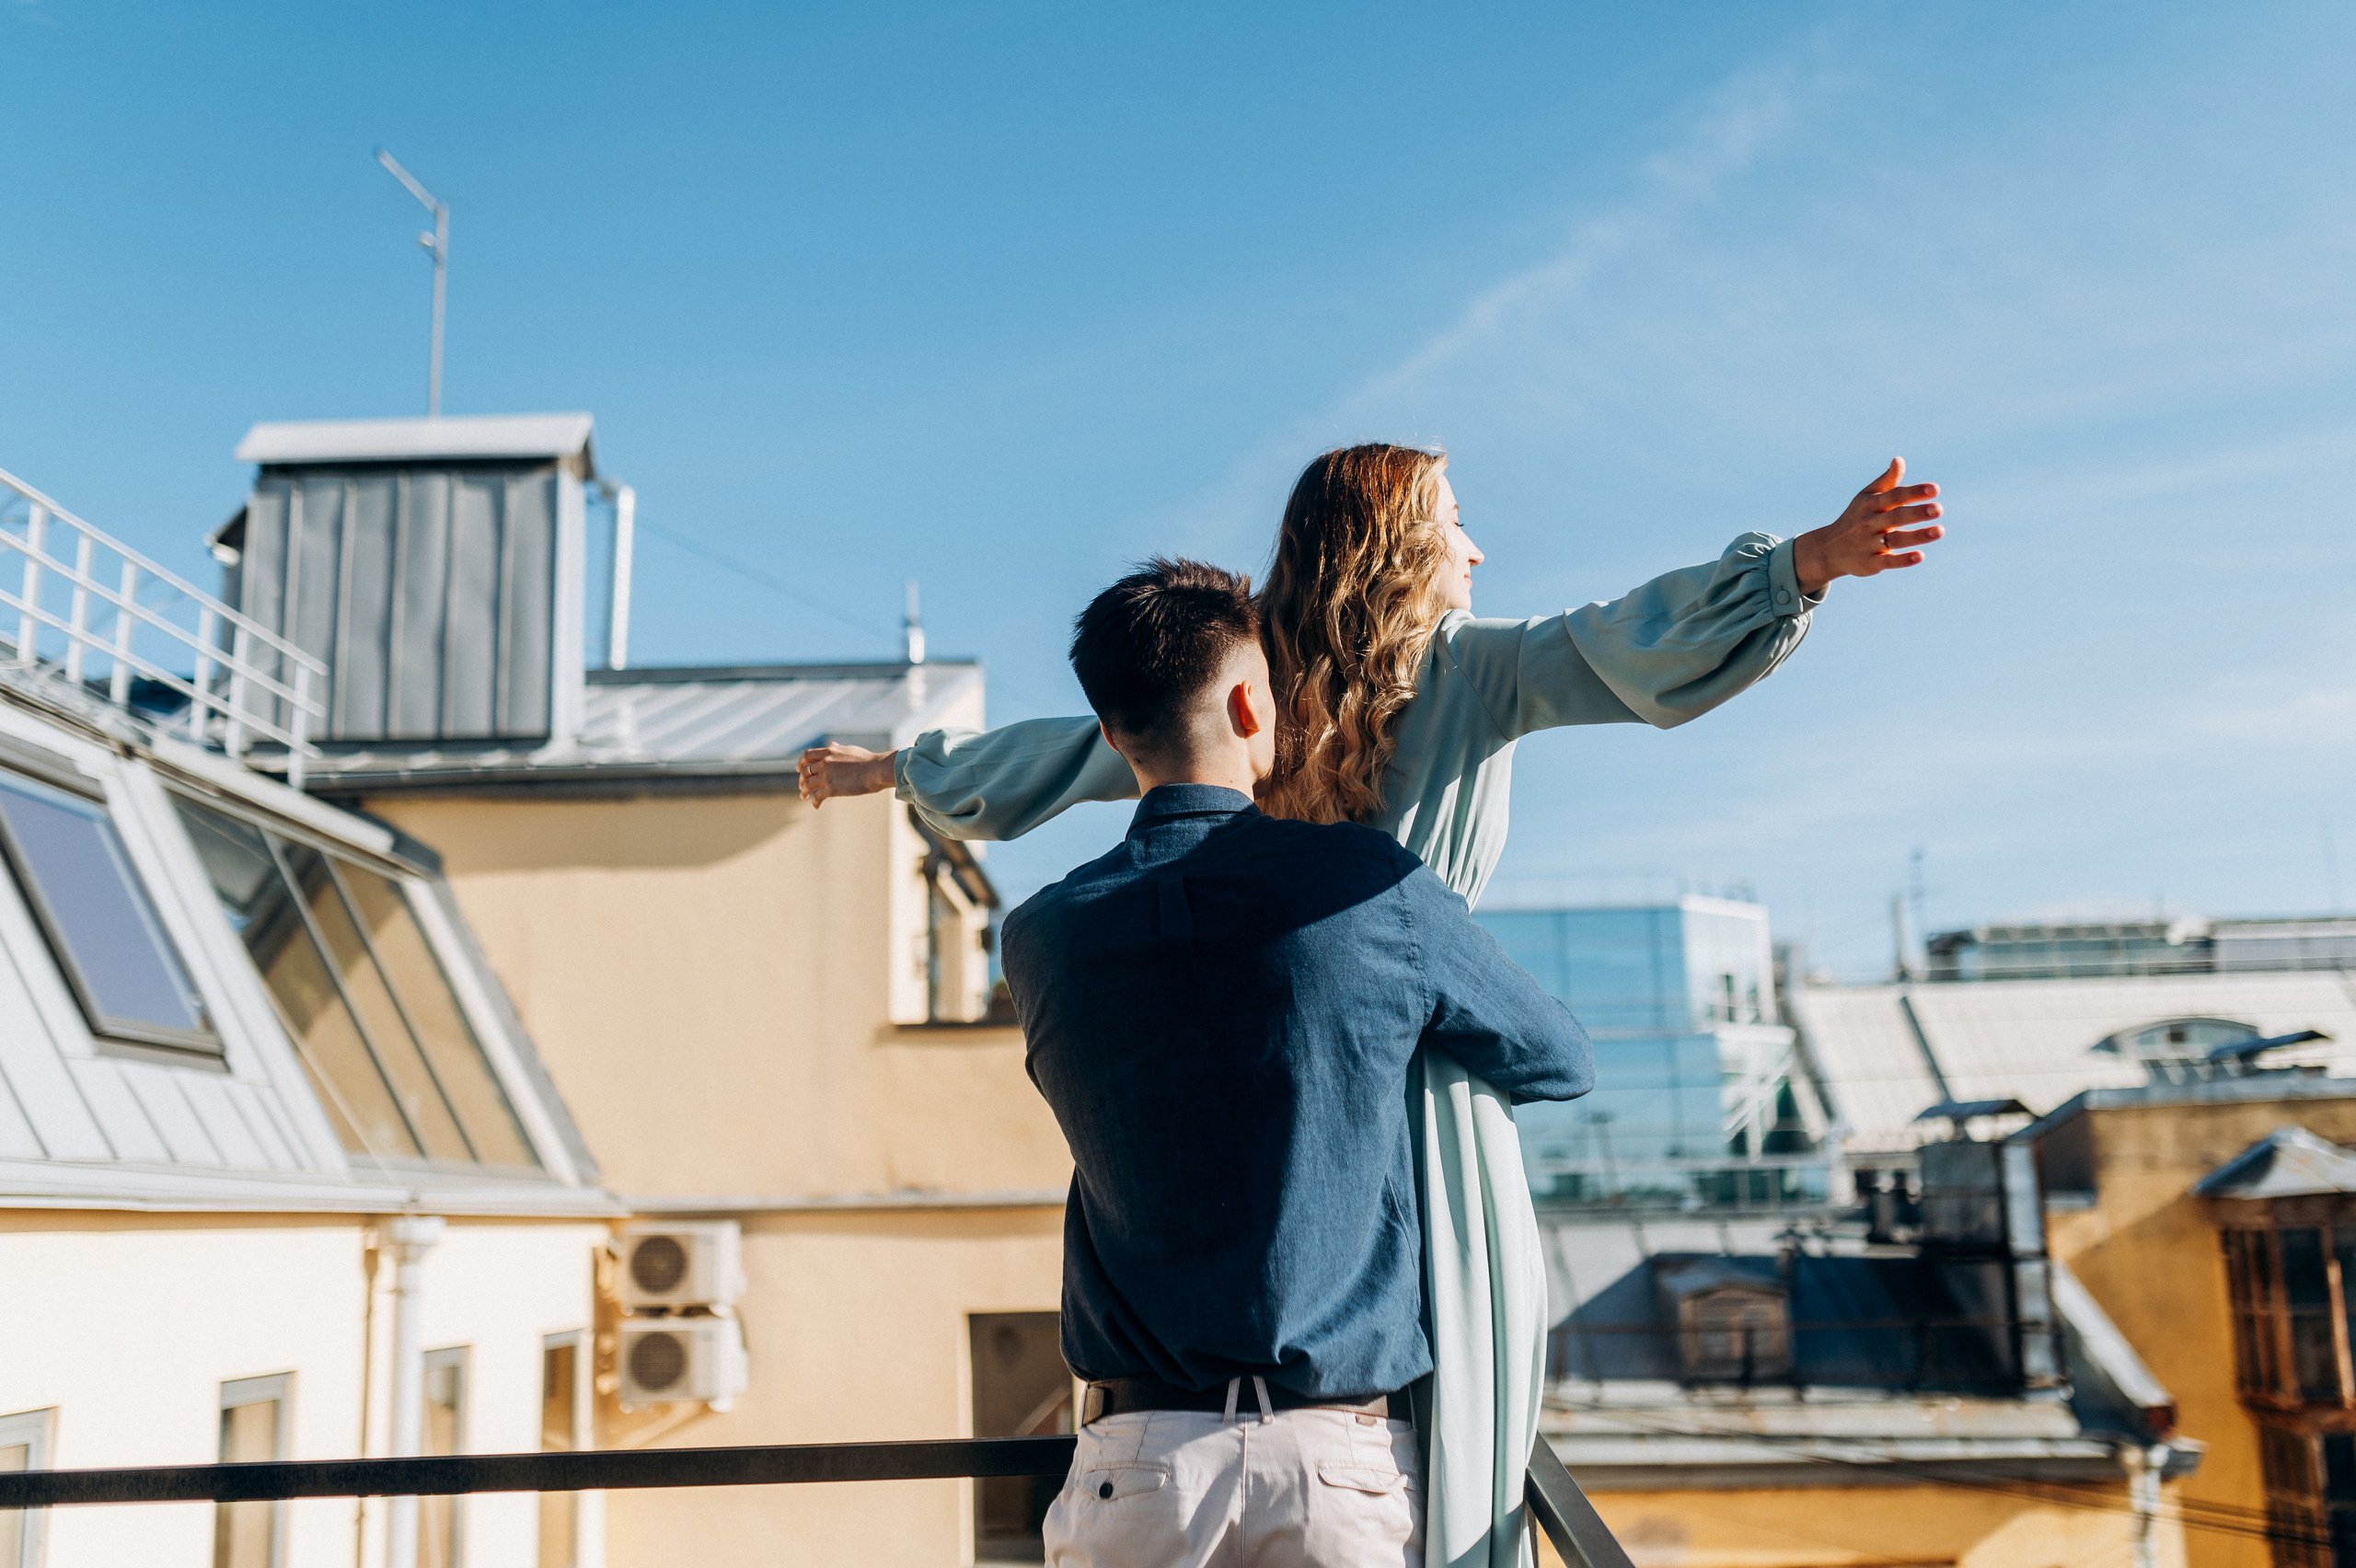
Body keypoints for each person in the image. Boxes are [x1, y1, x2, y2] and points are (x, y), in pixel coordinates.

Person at [802, 447, 1943, 1565]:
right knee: (1405, 1403)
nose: (1475, 550)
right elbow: (1621, 642)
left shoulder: (1257, 693)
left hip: (1270, 1084)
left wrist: (900, 772)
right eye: (1454, 522)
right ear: (1392, 545)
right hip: (1429, 1078)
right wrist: (1804, 563)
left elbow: (1100, 742)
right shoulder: (1458, 672)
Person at [1002, 559, 1593, 1568]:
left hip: (1134, 1466)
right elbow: (1557, 1056)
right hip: (1334, 1469)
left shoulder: (1043, 936)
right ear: (1249, 704)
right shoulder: (1363, 887)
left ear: (1110, 733)